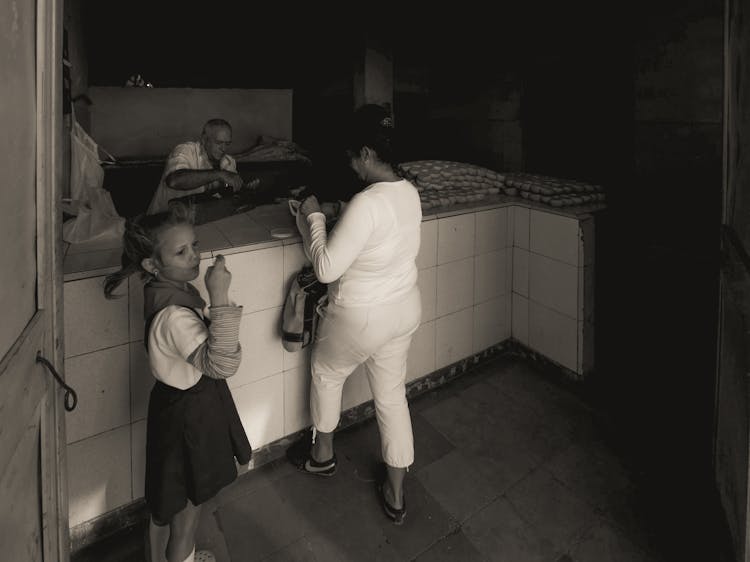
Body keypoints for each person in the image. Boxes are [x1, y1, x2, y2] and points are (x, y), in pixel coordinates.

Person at [286, 104, 422, 525]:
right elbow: (381, 236)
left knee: (327, 375)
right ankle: (396, 493)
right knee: (392, 396)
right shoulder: (408, 191)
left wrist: (311, 214)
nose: (350, 164)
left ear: (366, 153)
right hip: (404, 309)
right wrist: (339, 214)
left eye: (351, 156)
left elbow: (327, 267)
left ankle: (322, 456)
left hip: (361, 317)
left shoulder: (367, 203)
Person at [104, 202, 252, 562]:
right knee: (186, 510)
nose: (194, 257)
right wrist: (218, 295)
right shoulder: (174, 316)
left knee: (179, 502)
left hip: (182, 407)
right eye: (181, 252)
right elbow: (221, 363)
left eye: (195, 246)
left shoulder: (169, 295)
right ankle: (180, 556)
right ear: (153, 266)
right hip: (190, 415)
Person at [147, 118, 256, 215]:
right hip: (161, 222)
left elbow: (230, 196)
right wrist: (219, 174)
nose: (223, 148)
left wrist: (245, 187)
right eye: (219, 142)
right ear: (204, 139)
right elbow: (174, 181)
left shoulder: (229, 162)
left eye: (227, 144)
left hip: (197, 222)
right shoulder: (185, 150)